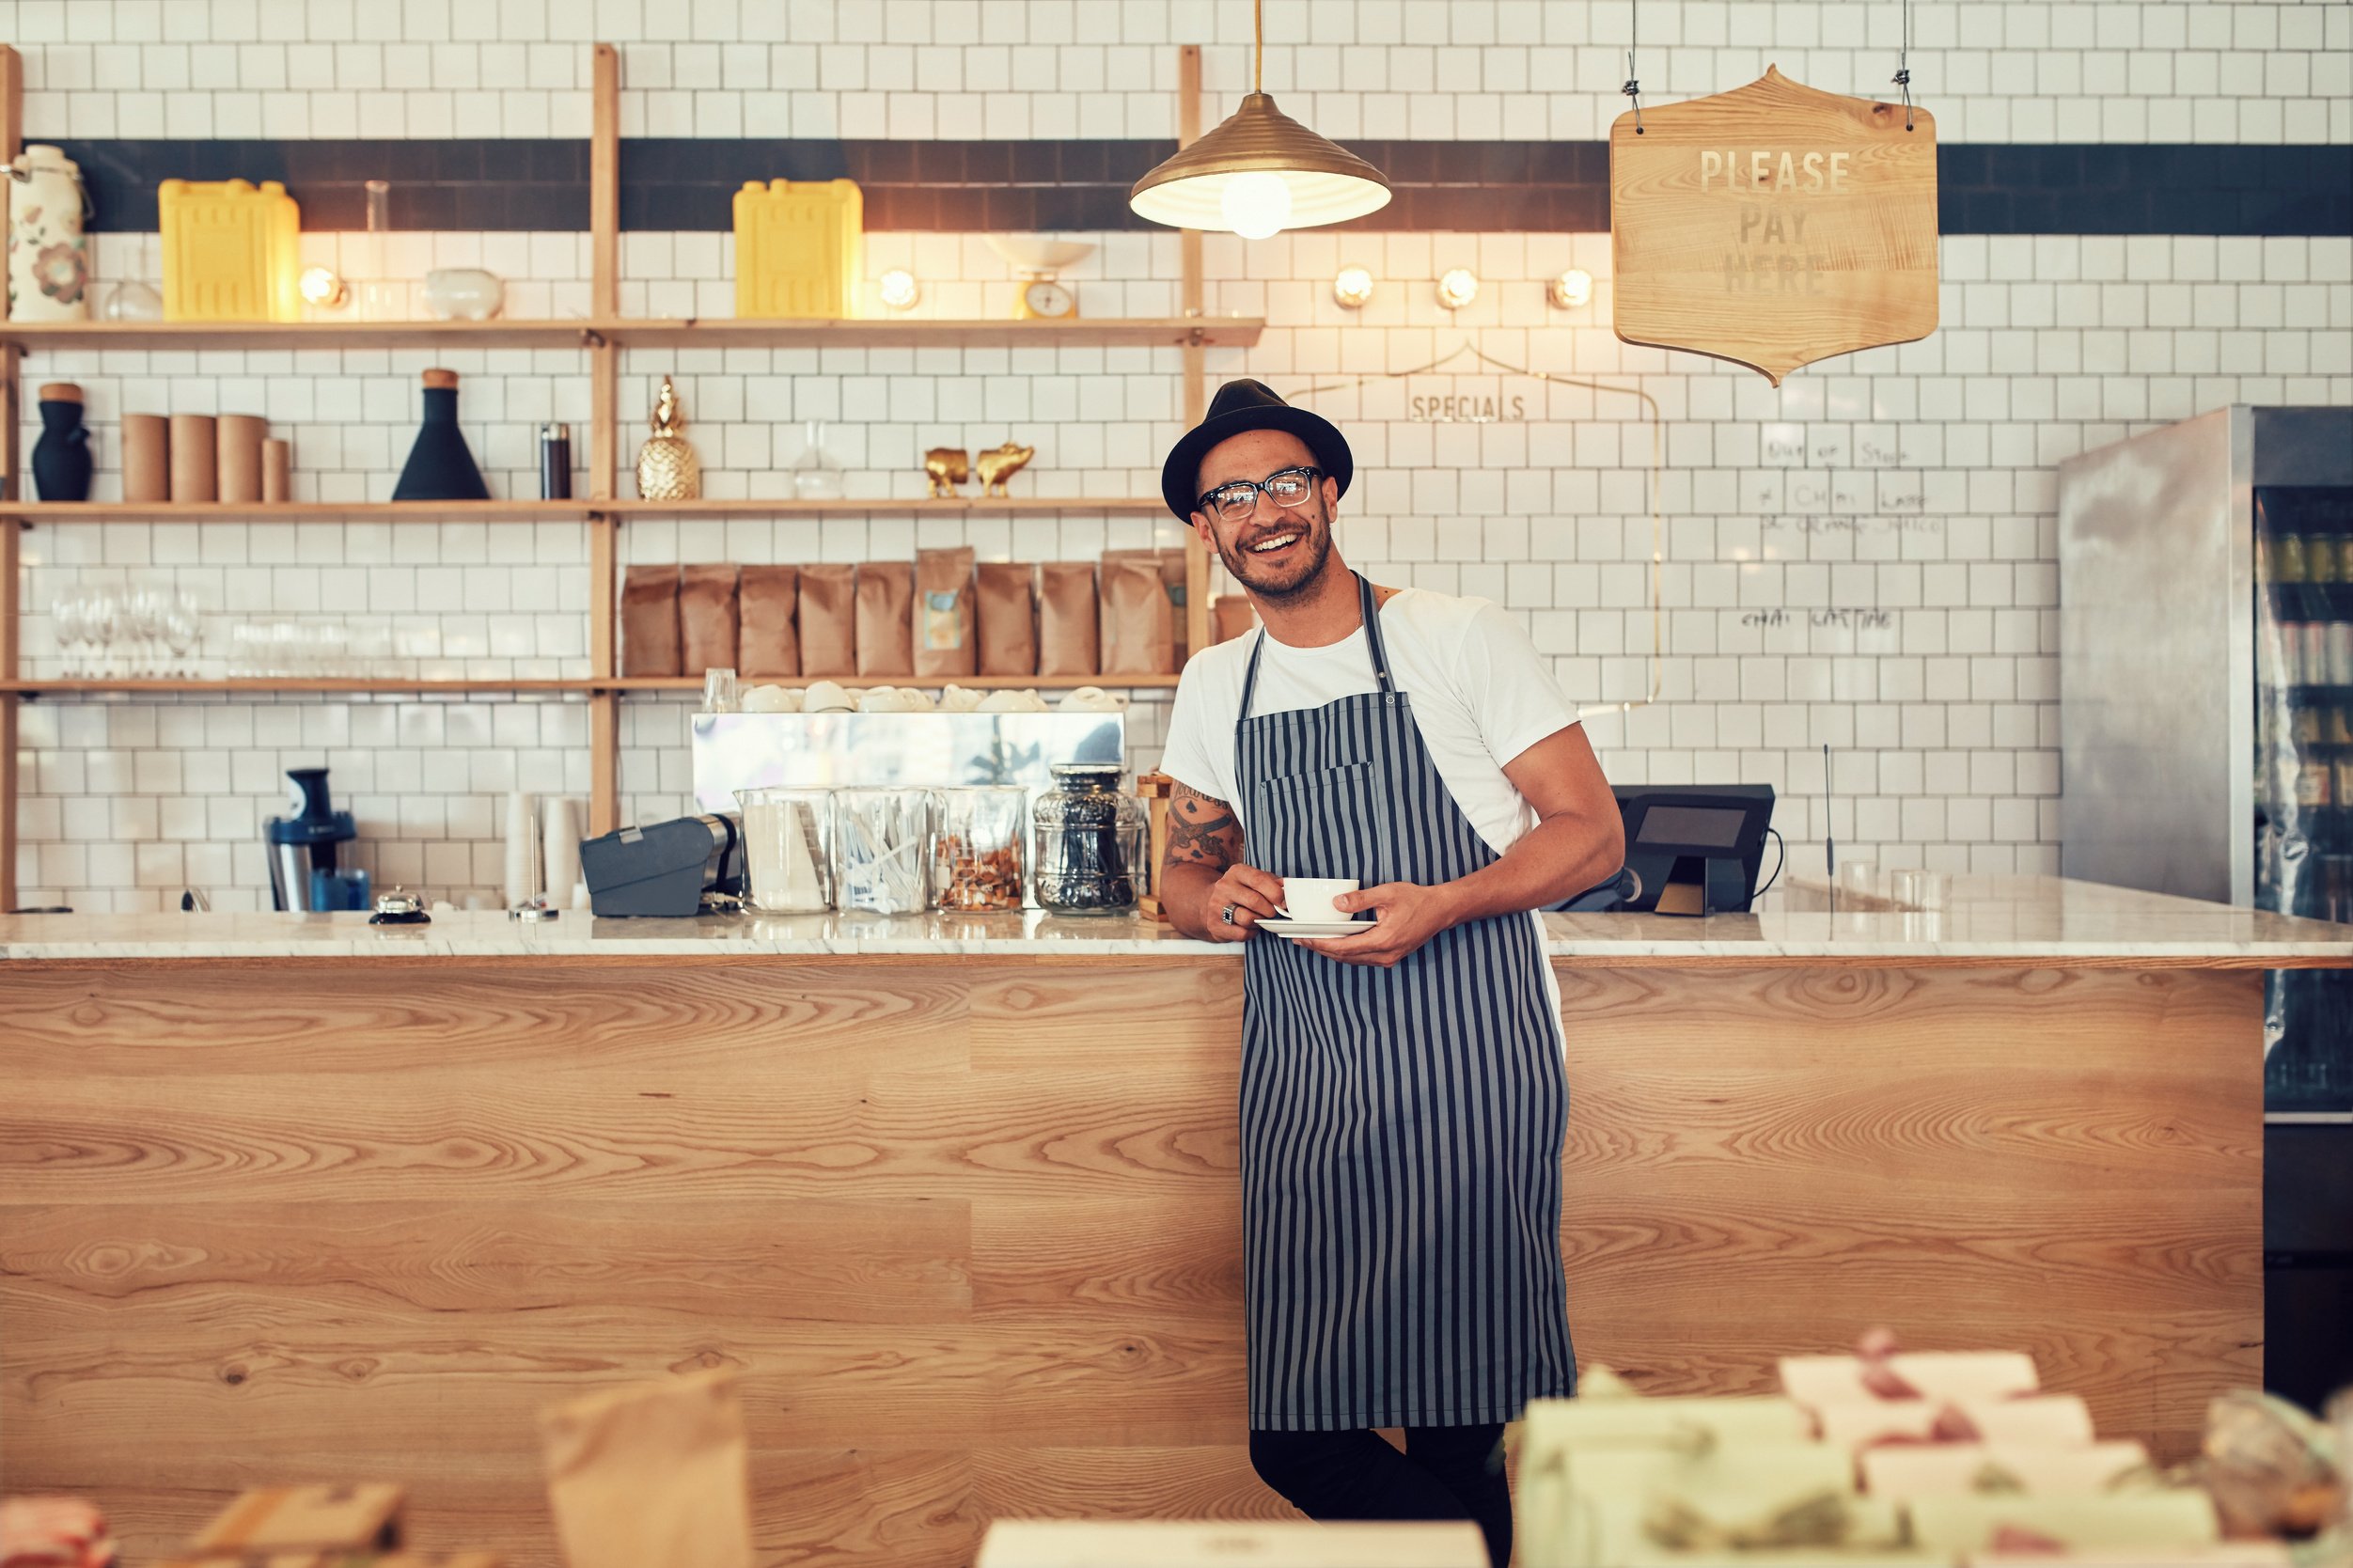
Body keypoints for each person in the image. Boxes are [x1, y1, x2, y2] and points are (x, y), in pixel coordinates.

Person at [1154, 379, 1624, 1567]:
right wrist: (1220, 899)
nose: (1262, 509)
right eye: (1231, 496)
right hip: (1308, 1077)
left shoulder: (1452, 634)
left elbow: (1589, 833)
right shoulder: (1219, 683)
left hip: (1470, 1065)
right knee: (1298, 1436)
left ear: (1326, 493)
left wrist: (1447, 903)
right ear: (1205, 532)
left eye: (1283, 481)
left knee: (1459, 1430)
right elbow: (1180, 877)